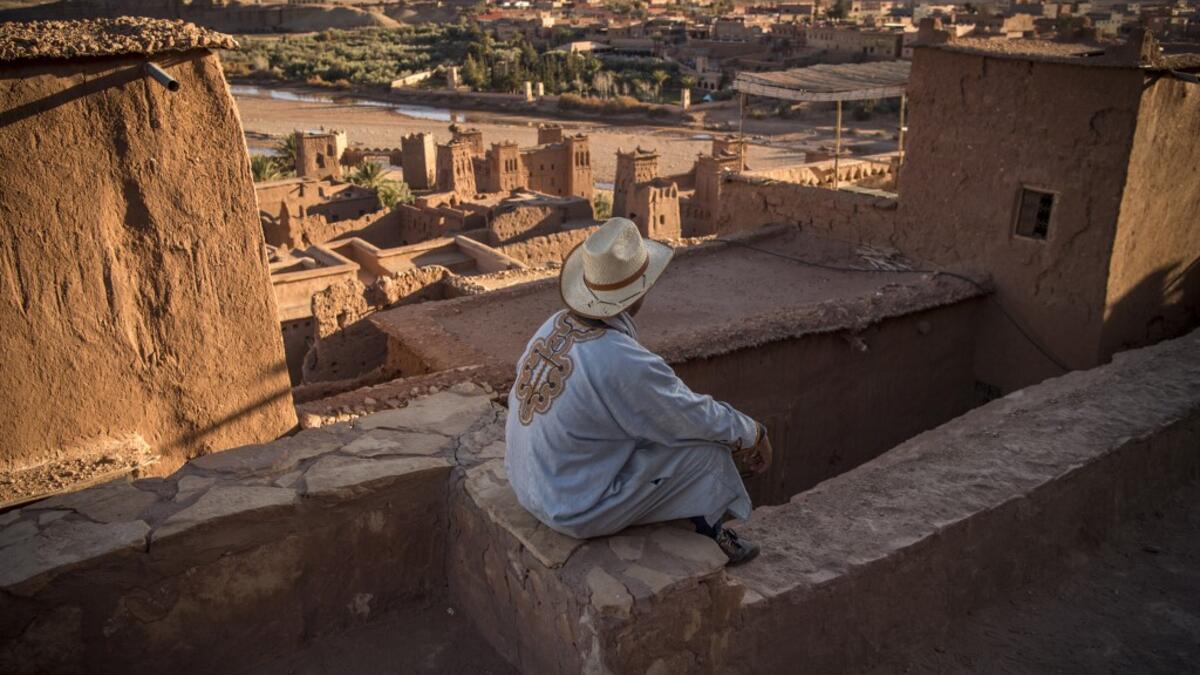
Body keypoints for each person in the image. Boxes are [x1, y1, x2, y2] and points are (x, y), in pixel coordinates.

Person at [505, 217, 772, 566]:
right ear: (638, 291)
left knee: (654, 430)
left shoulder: (553, 324)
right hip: (570, 507)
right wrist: (753, 432)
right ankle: (709, 533)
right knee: (705, 452)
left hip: (528, 485)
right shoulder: (621, 359)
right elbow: (691, 416)